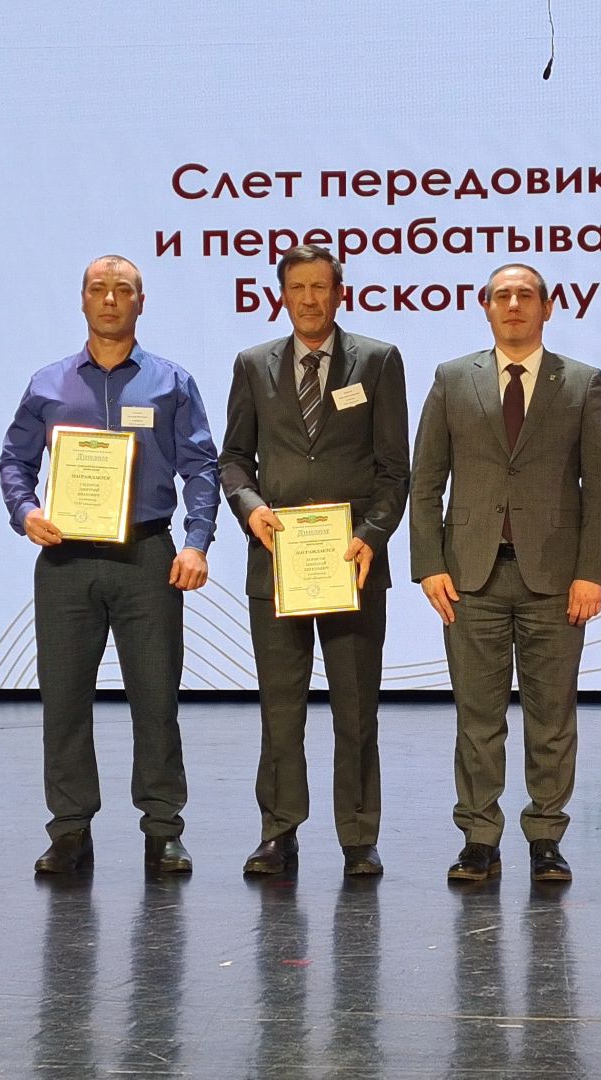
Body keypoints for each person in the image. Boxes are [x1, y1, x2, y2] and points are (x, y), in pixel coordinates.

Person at [0, 253, 221, 876]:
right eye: (99, 289)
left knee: (156, 699)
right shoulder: (48, 384)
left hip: (147, 556)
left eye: (123, 290)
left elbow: (201, 468)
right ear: (83, 300)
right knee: (64, 700)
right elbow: (13, 461)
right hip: (65, 560)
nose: (110, 299)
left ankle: (163, 829)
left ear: (141, 302)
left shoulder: (171, 382)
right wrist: (25, 511)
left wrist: (197, 542)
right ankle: (70, 829)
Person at [409, 263, 601, 882]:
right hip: (469, 577)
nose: (514, 304)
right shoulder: (452, 379)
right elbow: (426, 483)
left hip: (556, 579)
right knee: (477, 715)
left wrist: (592, 573)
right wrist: (428, 565)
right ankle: (479, 836)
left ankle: (546, 837)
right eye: (502, 295)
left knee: (552, 715)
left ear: (547, 307)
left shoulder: (582, 383)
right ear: (485, 306)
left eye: (526, 295)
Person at [219, 244, 410, 877]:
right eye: (297, 287)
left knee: (357, 705)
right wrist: (249, 508)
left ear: (340, 292)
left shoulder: (378, 363)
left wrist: (373, 534)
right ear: (282, 294)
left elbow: (393, 470)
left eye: (320, 287)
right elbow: (233, 459)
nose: (309, 298)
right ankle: (279, 831)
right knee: (281, 705)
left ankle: (359, 836)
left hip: (353, 562)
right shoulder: (252, 364)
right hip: (276, 560)